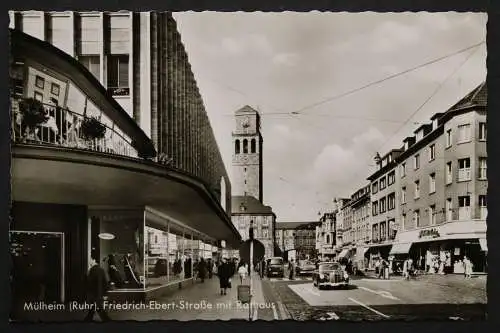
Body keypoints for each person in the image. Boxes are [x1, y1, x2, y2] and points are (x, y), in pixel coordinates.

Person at [84, 257, 111, 322]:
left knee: (97, 309)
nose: (89, 262)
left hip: (93, 294)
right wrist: (105, 293)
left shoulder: (91, 270)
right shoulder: (101, 270)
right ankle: (88, 320)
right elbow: (105, 283)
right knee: (94, 309)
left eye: (90, 260)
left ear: (94, 260)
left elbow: (89, 283)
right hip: (99, 293)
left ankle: (108, 321)